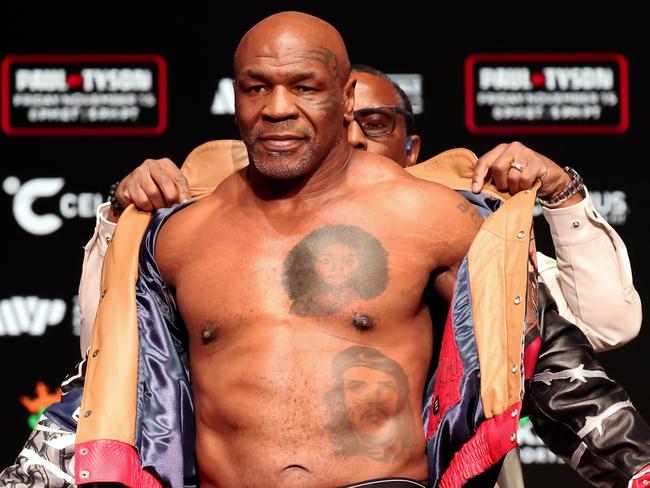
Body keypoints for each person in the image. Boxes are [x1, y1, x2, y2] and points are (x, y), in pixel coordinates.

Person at [2, 13, 648, 488]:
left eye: (303, 87)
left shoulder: (435, 218)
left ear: (344, 100)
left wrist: (636, 471)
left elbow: (555, 372)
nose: (277, 109)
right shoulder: (182, 231)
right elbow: (111, 374)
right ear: (235, 100)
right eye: (256, 88)